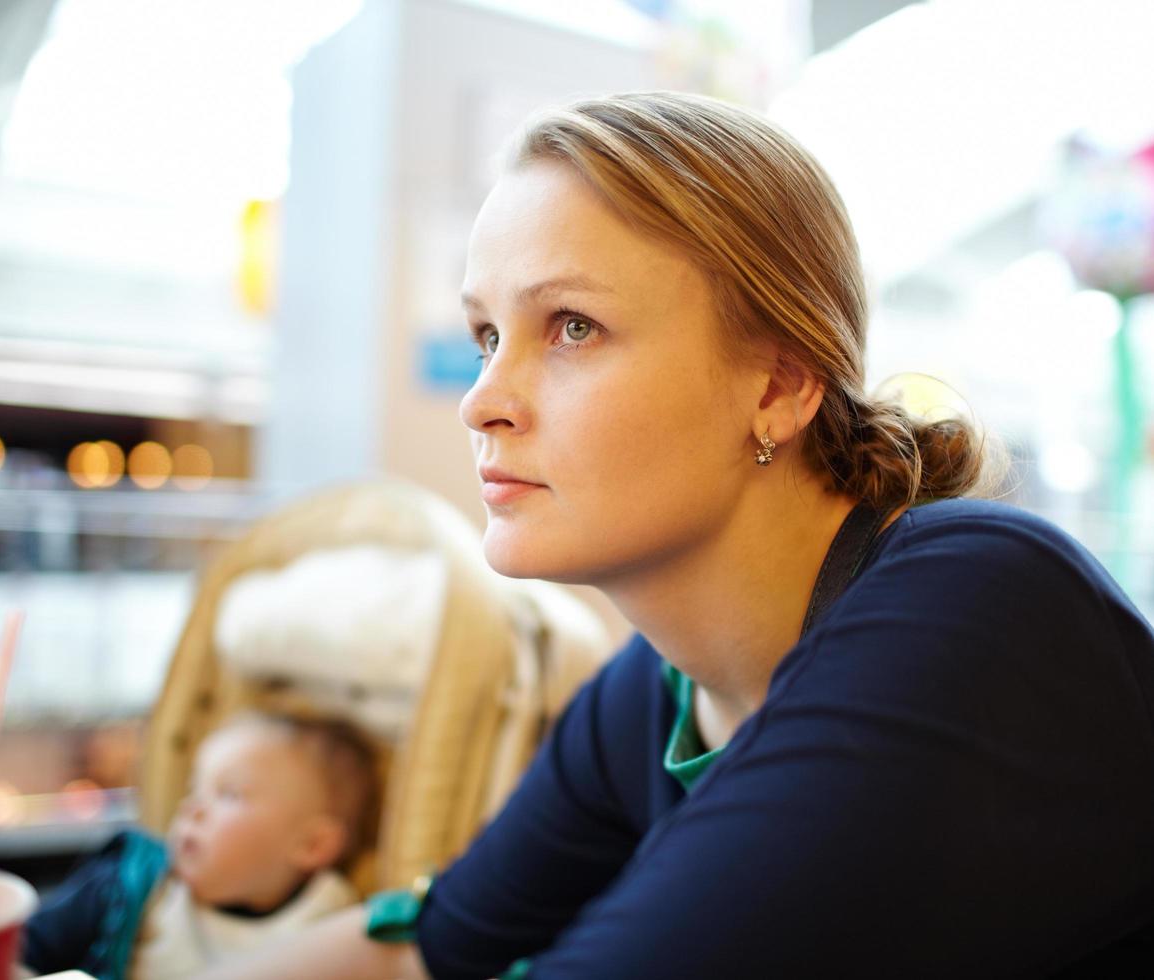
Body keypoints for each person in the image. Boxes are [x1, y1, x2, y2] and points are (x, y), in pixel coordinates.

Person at [207, 92, 1154, 979]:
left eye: (572, 327)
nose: (481, 400)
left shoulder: (977, 605)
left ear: (779, 386)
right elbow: (418, 951)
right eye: (489, 334)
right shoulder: (651, 698)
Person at [21, 713, 378, 979]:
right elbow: (22, 952)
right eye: (195, 790)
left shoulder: (333, 924)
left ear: (312, 845)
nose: (191, 809)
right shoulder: (128, 885)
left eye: (228, 794)